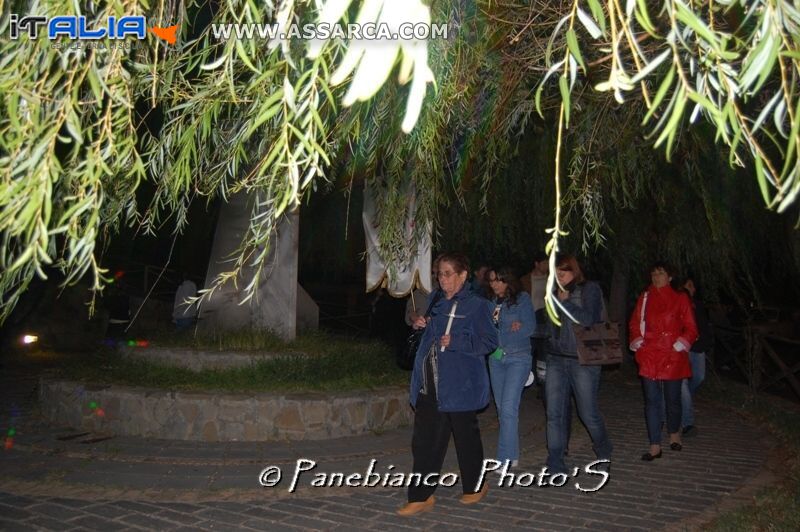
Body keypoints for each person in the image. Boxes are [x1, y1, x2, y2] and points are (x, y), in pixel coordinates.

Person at [397, 252, 498, 516]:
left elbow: (489, 342)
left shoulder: (478, 305)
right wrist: (422, 325)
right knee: (425, 441)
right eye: (439, 274)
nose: (442, 279)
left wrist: (459, 342)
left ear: (463, 275)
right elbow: (431, 335)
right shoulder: (435, 301)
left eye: (447, 274)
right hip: (430, 382)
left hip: (460, 385)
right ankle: (421, 495)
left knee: (466, 438)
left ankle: (476, 485)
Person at [544, 254, 613, 474]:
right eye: (555, 273)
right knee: (554, 413)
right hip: (556, 358)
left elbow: (590, 319)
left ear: (574, 270)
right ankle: (555, 462)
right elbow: (551, 326)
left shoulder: (588, 289)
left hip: (582, 360)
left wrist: (566, 304)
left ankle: (603, 447)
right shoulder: (555, 292)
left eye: (563, 272)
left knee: (587, 412)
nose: (558, 277)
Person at [629, 262, 698, 461]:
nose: (656, 277)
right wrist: (637, 340)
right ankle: (654, 445)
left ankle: (675, 433)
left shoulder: (680, 298)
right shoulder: (645, 297)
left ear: (670, 277)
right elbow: (634, 322)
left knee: (673, 398)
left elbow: (691, 328)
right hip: (650, 353)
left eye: (661, 273)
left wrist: (680, 343)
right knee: (651, 401)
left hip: (672, 354)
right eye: (653, 273)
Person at [486, 267, 535, 468]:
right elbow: (486, 332)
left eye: (499, 280)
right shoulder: (489, 303)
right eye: (491, 281)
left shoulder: (521, 299)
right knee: (502, 408)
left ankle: (506, 458)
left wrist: (505, 331)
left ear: (508, 280)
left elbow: (529, 327)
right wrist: (511, 326)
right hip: (496, 359)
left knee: (508, 408)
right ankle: (510, 452)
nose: (495, 284)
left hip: (517, 357)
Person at [680, 275, 713, 437]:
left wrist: (703, 342)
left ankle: (684, 403)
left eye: (693, 285)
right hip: (683, 349)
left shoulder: (698, 305)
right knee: (683, 385)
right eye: (689, 285)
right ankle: (687, 423)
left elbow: (704, 327)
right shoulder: (678, 303)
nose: (692, 288)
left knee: (699, 377)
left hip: (697, 348)